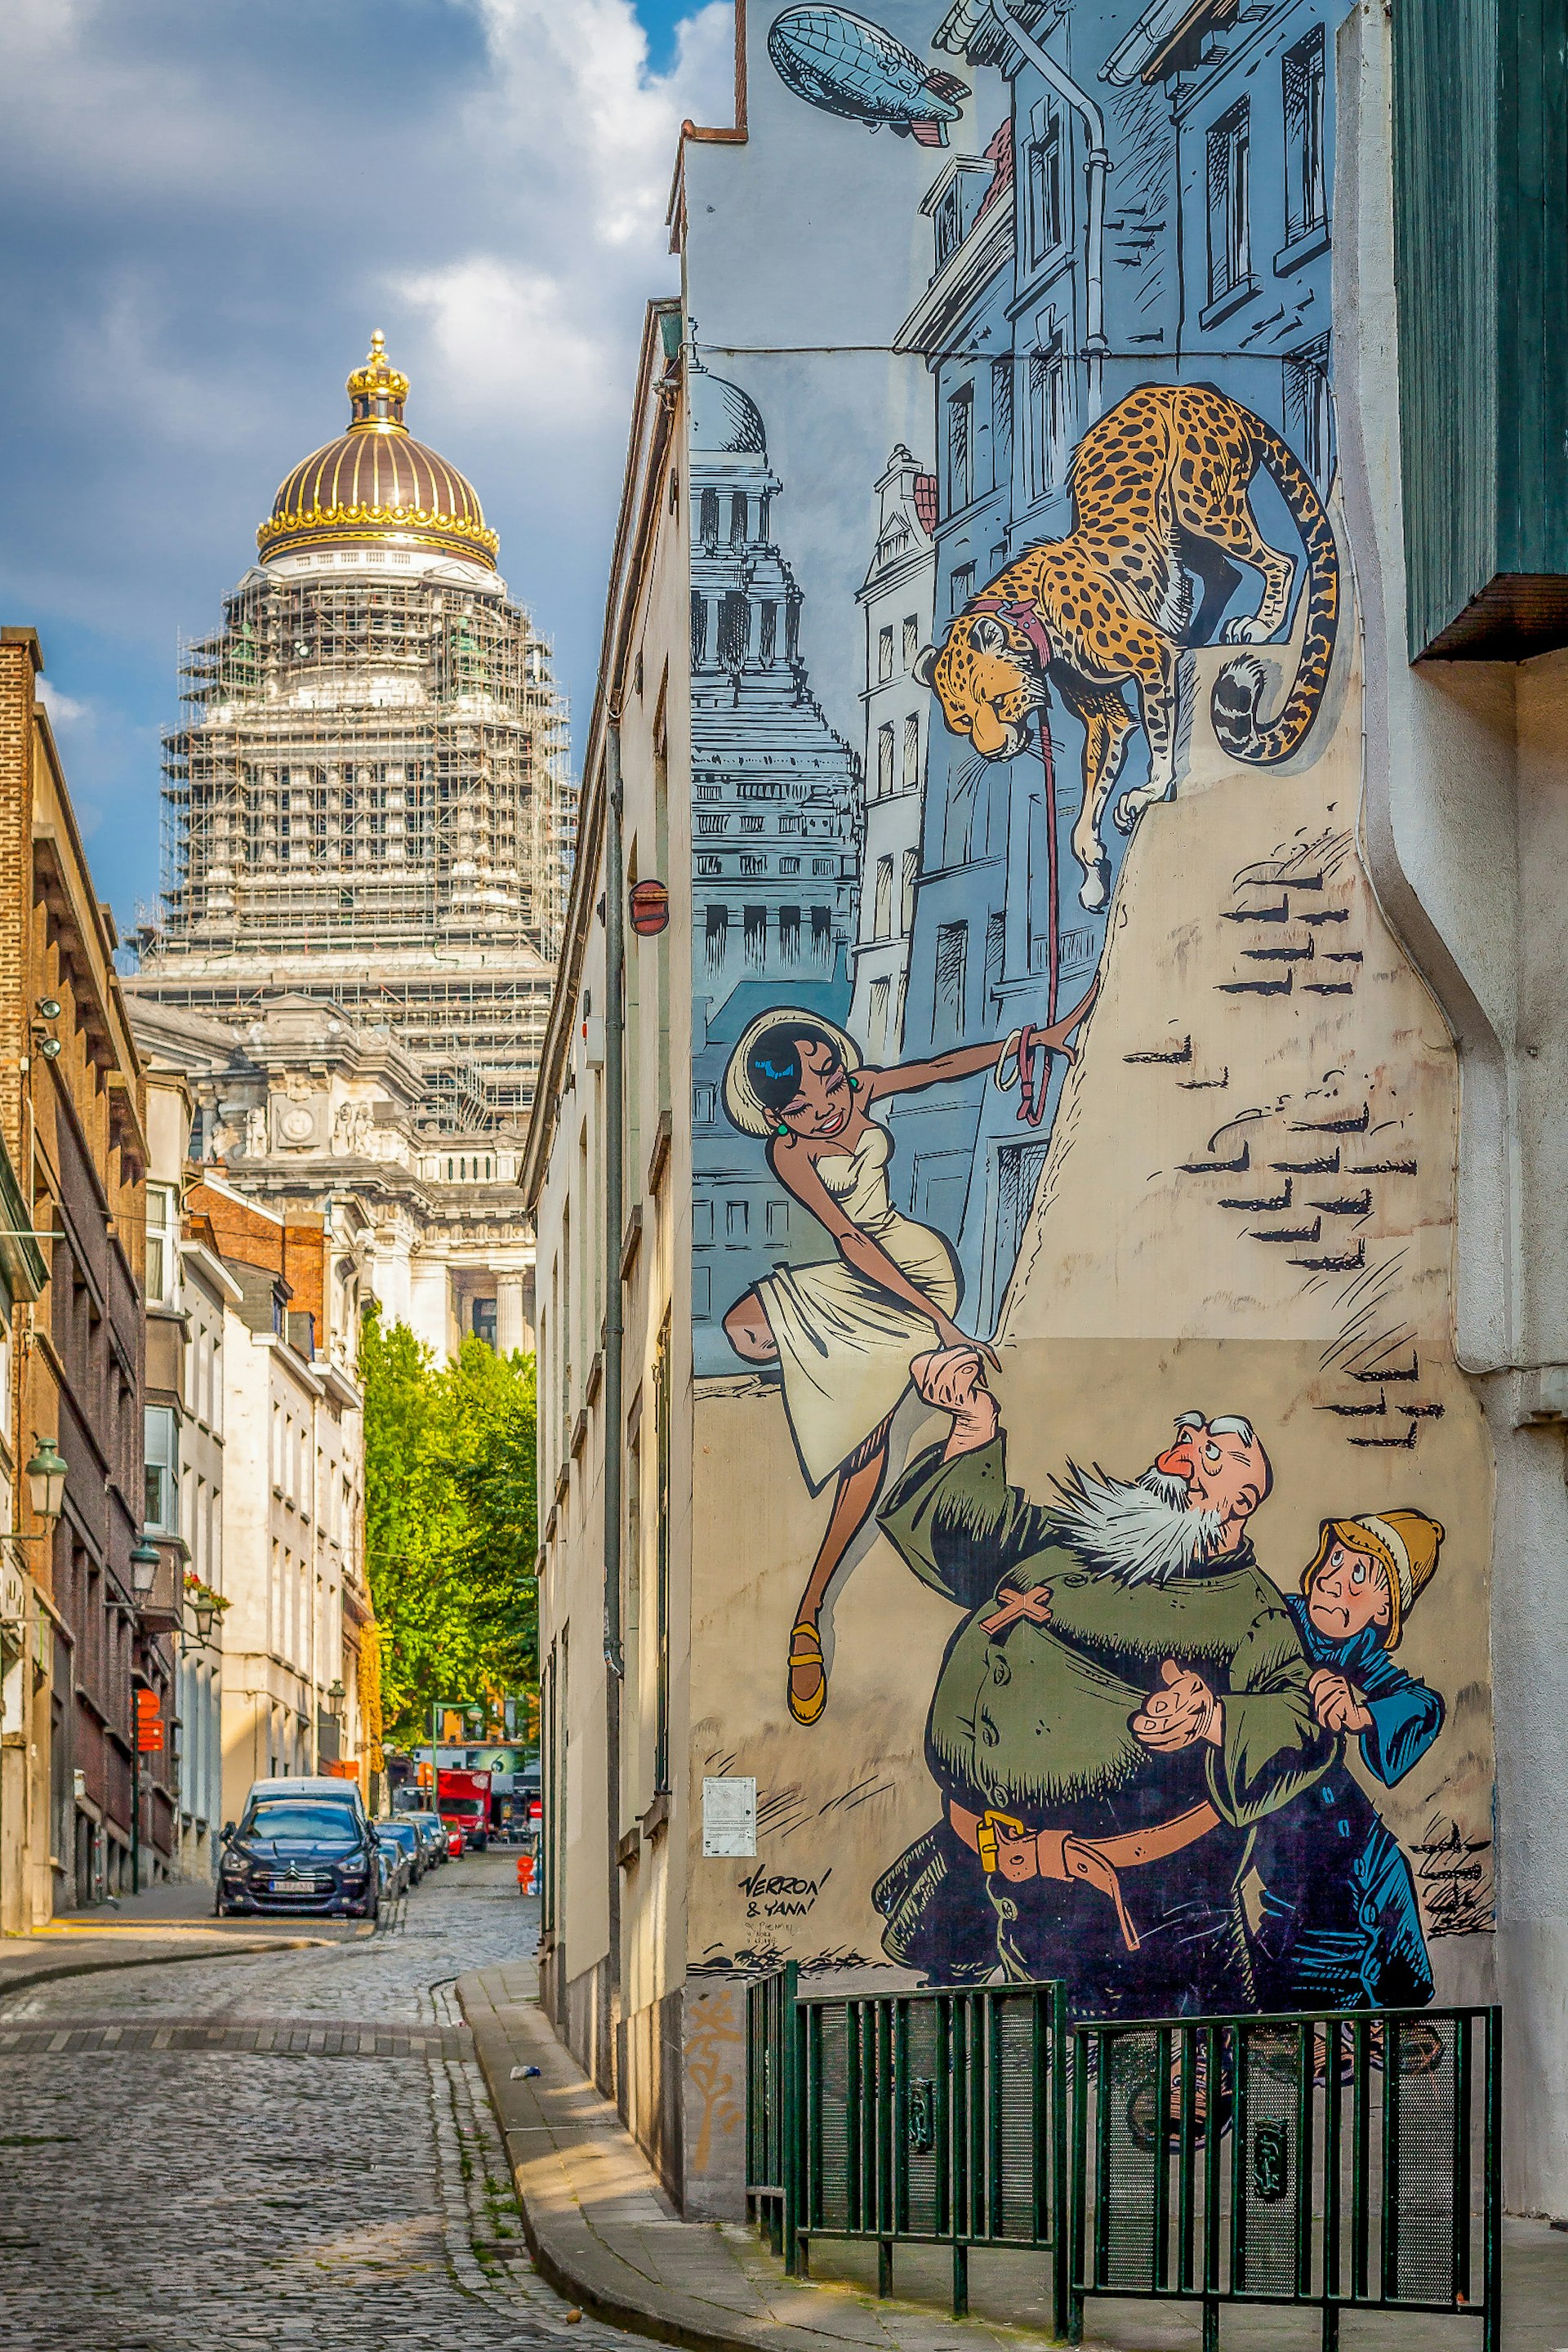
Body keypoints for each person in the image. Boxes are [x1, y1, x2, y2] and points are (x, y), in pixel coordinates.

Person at [869, 1347, 1334, 2016]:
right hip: (976, 1866)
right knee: (977, 2074)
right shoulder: (1087, 1543)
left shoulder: (1250, 1607)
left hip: (1129, 1907)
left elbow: (1301, 1716)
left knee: (1141, 2089)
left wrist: (1214, 1716)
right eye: (1190, 1434)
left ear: (1243, 1502)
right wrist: (972, 1427)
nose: (1187, 1445)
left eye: (1215, 1451)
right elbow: (971, 1538)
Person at [720, 993, 1094, 1726]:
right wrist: (941, 1332)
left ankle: (809, 1614)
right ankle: (851, 1379)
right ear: (777, 1118)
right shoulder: (788, 1155)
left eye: (830, 1080)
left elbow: (938, 1068)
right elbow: (849, 1243)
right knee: (744, 1330)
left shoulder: (861, 1092)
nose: (827, 1104)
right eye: (803, 1103)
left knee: (865, 1445)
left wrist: (1028, 1040)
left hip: (914, 1269)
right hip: (860, 1276)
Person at [1249, 1511, 1445, 2011]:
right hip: (1285, 1811)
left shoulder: (1359, 1649)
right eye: (1337, 1559)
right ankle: (1310, 2025)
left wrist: (1363, 1713)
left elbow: (1420, 1703)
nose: (1337, 1580)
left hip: (1349, 1818)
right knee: (1311, 1910)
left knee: (1389, 1878)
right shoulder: (1275, 1618)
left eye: (1361, 1575)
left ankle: (1393, 2014)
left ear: (1383, 1610)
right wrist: (1299, 1688)